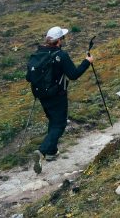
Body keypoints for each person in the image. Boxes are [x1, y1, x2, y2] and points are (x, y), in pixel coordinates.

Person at [29, 26, 92, 174]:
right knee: (60, 124)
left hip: (42, 95)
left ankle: (51, 151)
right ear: (58, 41)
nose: (64, 40)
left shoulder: (39, 53)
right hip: (57, 95)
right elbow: (74, 74)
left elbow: (28, 77)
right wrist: (87, 62)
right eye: (62, 38)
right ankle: (41, 151)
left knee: (53, 120)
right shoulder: (61, 55)